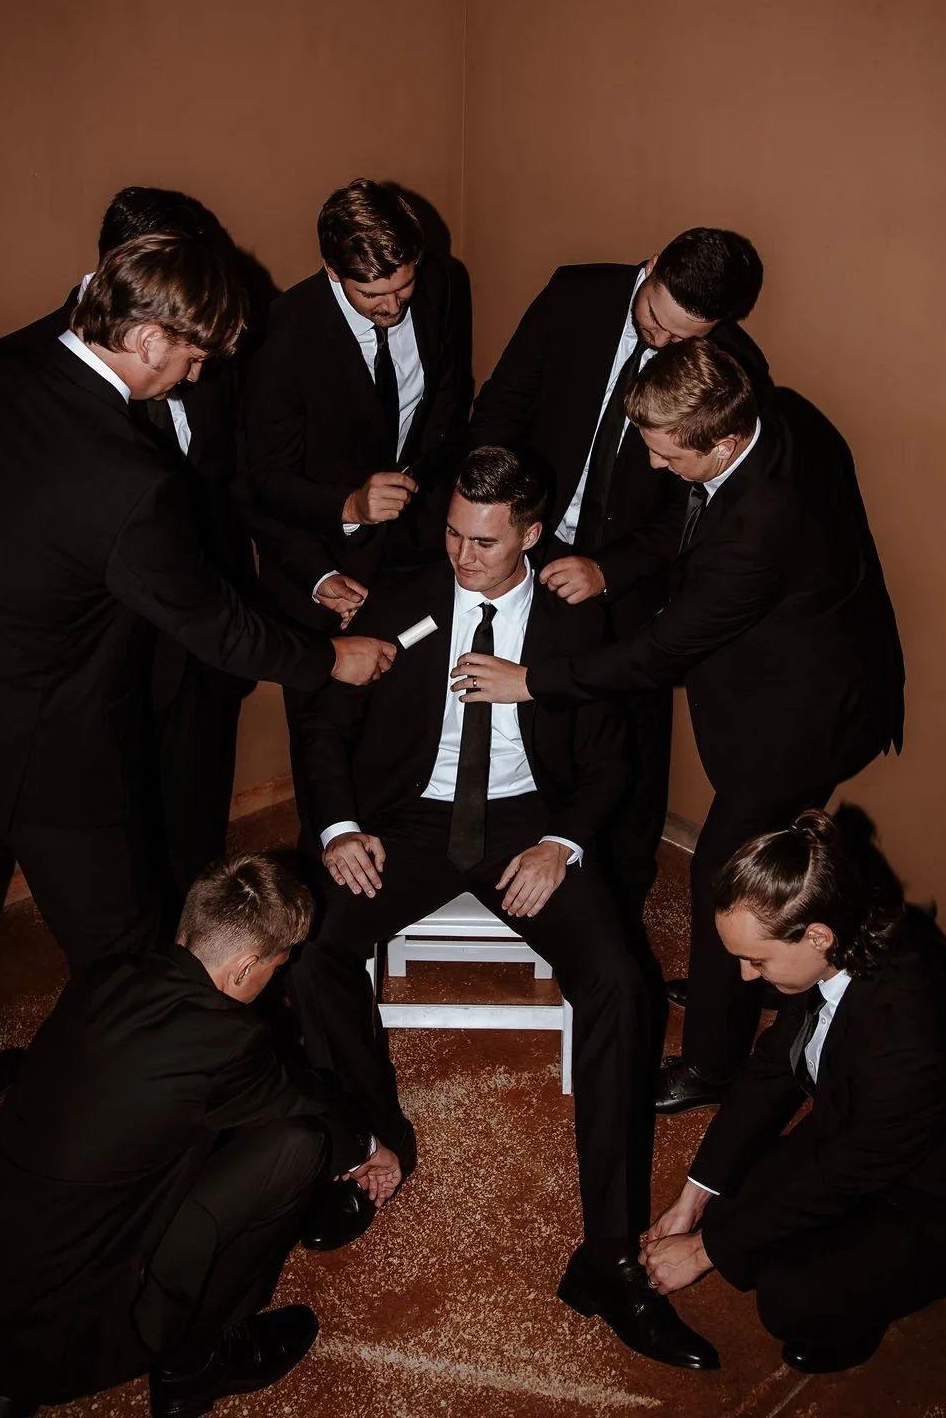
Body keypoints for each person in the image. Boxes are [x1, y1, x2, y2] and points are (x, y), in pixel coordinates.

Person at [290, 446, 719, 1372]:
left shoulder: (578, 617)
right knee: (309, 948)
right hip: (406, 820)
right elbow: (324, 718)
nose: (462, 555)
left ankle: (607, 1255)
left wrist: (561, 845)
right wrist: (336, 827)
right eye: (451, 531)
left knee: (619, 982)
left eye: (484, 540)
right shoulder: (401, 592)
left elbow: (611, 763)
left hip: (529, 822)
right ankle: (372, 1141)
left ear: (532, 533)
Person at [0, 234, 394, 1115]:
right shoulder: (128, 478)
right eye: (191, 357)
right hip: (50, 755)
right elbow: (218, 627)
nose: (192, 378)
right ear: (150, 339)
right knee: (128, 960)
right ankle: (154, 1131)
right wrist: (328, 658)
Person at [453, 339, 904, 1114]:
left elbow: (658, 652)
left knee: (719, 872)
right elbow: (688, 520)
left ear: (721, 439)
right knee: (764, 865)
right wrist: (613, 569)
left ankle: (713, 1064)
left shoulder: (758, 532)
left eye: (666, 455)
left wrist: (531, 683)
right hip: (814, 667)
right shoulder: (781, 414)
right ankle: (746, 972)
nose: (656, 468)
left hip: (801, 713)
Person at [0, 853, 401, 1417]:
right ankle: (195, 1367)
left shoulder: (105, 977)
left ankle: (16, 1382)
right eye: (276, 966)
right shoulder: (225, 1041)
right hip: (73, 1332)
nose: (276, 979)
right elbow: (304, 1100)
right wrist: (370, 1150)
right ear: (243, 969)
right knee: (298, 1145)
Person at [469, 229, 766, 921]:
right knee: (526, 711)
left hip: (630, 575)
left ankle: (618, 899)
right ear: (654, 263)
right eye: (656, 319)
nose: (660, 341)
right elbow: (505, 403)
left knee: (629, 740)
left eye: (682, 335)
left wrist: (610, 569)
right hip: (531, 537)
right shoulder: (576, 292)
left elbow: (695, 506)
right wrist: (497, 516)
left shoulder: (732, 368)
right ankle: (510, 860)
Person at [3, 185, 272, 903]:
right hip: (92, 674)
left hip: (203, 652)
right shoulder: (13, 371)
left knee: (195, 845)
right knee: (111, 880)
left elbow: (234, 482)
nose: (195, 373)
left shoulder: (204, 341)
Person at [641, 811, 946, 1374]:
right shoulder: (839, 939)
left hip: (944, 1191)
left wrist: (701, 1252)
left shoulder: (908, 1043)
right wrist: (693, 1198)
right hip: (861, 1127)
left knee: (790, 1298)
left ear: (817, 936)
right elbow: (771, 1070)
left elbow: (839, 1173)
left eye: (758, 960)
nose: (748, 977)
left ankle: (862, 1318)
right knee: (742, 1222)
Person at [241, 178, 471, 862]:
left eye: (404, 287)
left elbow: (449, 405)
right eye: (375, 296)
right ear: (330, 269)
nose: (396, 307)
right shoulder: (280, 333)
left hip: (414, 553)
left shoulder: (443, 284)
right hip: (316, 567)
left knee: (410, 719)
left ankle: (404, 861)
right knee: (325, 741)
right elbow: (260, 482)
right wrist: (346, 509)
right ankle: (333, 877)